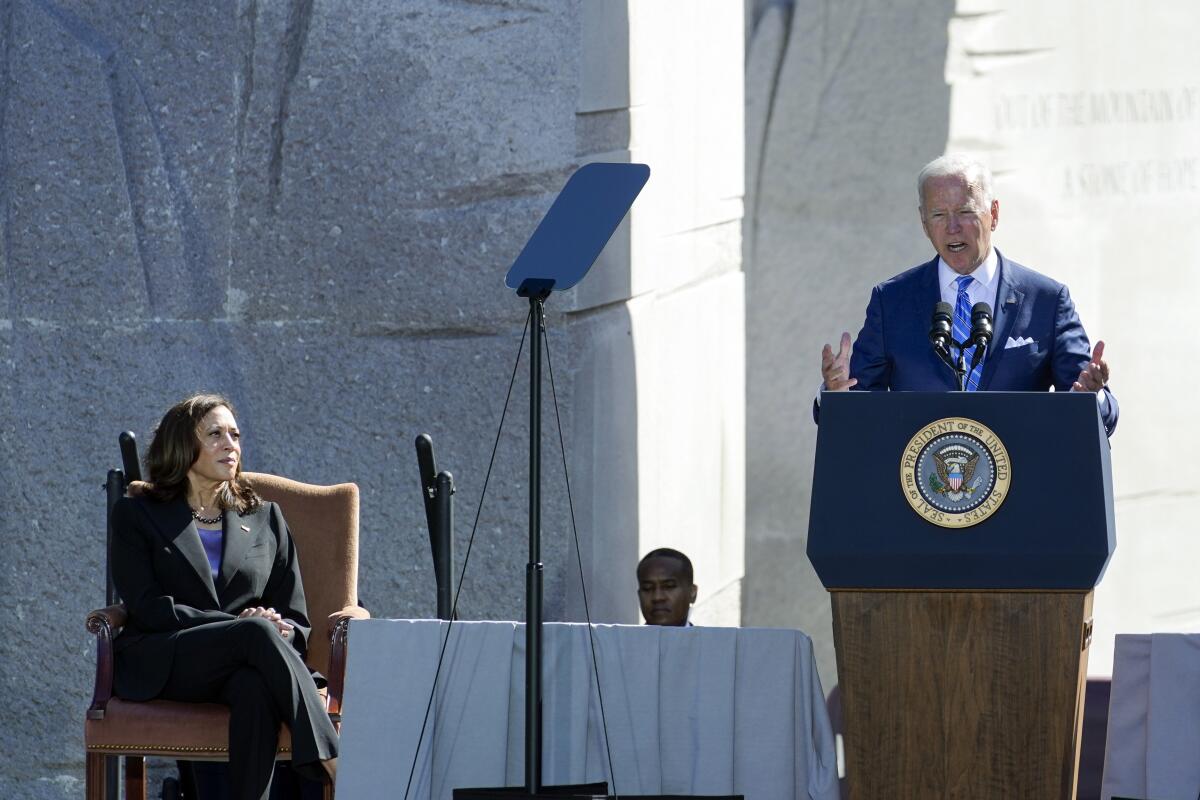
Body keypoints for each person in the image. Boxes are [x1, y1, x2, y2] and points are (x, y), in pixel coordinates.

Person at [110, 394, 337, 800]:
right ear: (181, 444)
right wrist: (242, 626)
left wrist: (279, 628)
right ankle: (336, 761)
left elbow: (296, 615)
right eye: (215, 434)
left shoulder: (267, 518)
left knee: (252, 687)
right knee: (252, 634)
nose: (230, 443)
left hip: (250, 662)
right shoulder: (136, 515)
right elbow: (148, 608)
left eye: (235, 434)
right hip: (170, 657)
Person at [817, 154, 1118, 435]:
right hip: (920, 484)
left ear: (994, 214)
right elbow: (856, 408)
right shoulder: (892, 301)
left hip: (1023, 482)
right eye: (938, 215)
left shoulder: (1048, 301)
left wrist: (1093, 399)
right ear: (924, 223)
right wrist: (835, 395)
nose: (952, 227)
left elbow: (1095, 408)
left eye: (965, 212)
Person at [637, 548, 697, 626]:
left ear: (692, 593)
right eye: (647, 588)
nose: (657, 597)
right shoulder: (623, 638)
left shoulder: (710, 638)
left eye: (669, 586)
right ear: (639, 595)